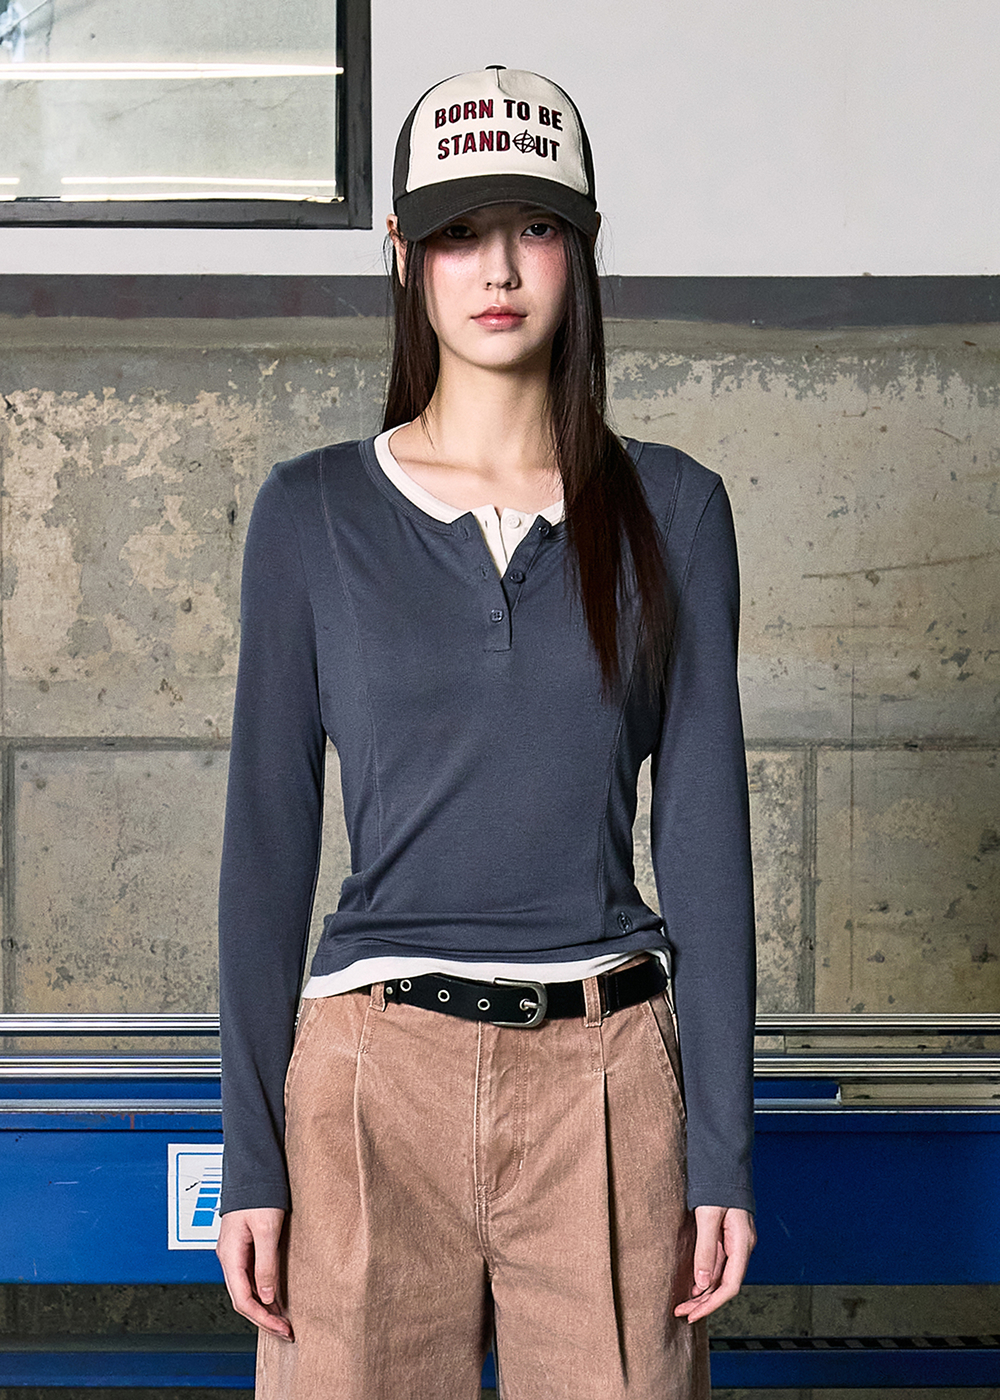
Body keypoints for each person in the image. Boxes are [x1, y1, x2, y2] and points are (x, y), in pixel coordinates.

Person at [216, 65, 756, 1400]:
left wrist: (724, 1157)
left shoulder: (676, 511)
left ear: (582, 249)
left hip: (607, 1084)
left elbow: (705, 845)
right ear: (405, 257)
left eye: (535, 227)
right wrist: (252, 1157)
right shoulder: (312, 514)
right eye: (458, 232)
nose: (498, 269)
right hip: (369, 1084)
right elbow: (267, 849)